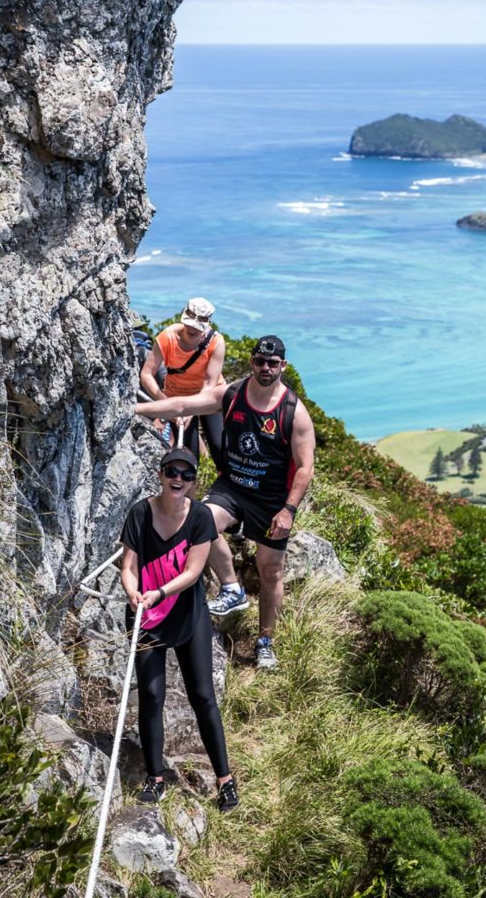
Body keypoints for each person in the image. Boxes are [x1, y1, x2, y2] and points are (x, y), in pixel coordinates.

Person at [136, 335, 316, 671]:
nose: (266, 368)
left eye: (273, 363)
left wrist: (288, 510)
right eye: (260, 362)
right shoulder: (233, 394)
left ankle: (265, 642)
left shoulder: (293, 411)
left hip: (272, 498)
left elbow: (305, 467)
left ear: (283, 366)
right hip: (232, 487)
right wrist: (135, 409)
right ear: (252, 362)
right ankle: (231, 588)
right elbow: (182, 406)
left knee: (270, 571)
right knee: (200, 521)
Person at [120, 445, 239, 811]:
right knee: (151, 695)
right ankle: (155, 777)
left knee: (203, 696)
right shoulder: (140, 513)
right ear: (160, 474)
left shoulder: (200, 517)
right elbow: (127, 566)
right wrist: (132, 594)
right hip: (146, 616)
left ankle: (225, 781)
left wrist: (157, 592)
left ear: (193, 481)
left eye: (187, 475)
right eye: (172, 471)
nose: (179, 479)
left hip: (188, 615)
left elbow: (193, 572)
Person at [139, 297, 226, 469]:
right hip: (176, 395)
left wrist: (192, 410)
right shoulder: (167, 337)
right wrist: (165, 402)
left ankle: (224, 490)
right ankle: (189, 494)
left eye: (197, 325)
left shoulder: (216, 342)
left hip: (209, 396)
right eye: (190, 323)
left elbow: (209, 384)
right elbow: (147, 374)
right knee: (188, 454)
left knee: (219, 447)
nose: (192, 328)